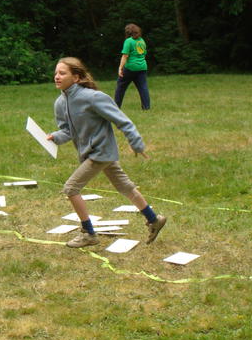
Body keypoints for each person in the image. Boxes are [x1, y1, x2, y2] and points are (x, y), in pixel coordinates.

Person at [46, 57, 166, 248]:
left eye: (62, 73)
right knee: (125, 186)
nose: (57, 77)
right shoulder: (60, 103)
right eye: (56, 73)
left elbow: (122, 120)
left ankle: (88, 234)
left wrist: (136, 143)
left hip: (100, 152)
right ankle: (154, 219)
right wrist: (55, 137)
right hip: (90, 153)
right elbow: (67, 131)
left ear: (76, 77)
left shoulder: (93, 97)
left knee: (71, 188)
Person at [114, 23, 150, 110]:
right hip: (142, 67)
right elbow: (144, 53)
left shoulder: (128, 41)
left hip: (130, 68)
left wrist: (120, 68)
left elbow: (125, 56)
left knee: (121, 86)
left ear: (128, 32)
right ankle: (146, 108)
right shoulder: (142, 41)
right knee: (143, 88)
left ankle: (116, 107)